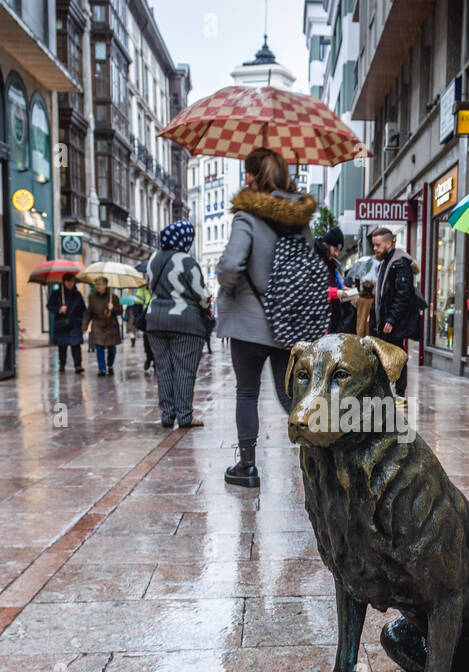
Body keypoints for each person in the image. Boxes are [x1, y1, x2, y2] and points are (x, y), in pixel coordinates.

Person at [215, 147, 317, 488]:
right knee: (289, 395)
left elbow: (231, 265)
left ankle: (247, 467)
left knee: (247, 392)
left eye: (247, 172)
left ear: (253, 176)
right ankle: (321, 459)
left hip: (248, 323)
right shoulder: (300, 221)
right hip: (288, 322)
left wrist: (227, 285)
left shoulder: (247, 216)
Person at [145, 220, 208, 428]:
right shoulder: (187, 261)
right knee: (184, 369)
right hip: (184, 322)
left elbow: (149, 285)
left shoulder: (153, 258)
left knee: (163, 369)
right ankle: (184, 416)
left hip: (154, 321)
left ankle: (167, 414)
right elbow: (201, 294)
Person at [367, 227, 421, 406]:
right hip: (383, 321)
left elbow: (402, 295)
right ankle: (385, 392)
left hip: (394, 322)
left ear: (388, 243)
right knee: (383, 356)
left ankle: (400, 393)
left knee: (397, 356)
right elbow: (382, 294)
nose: (374, 248)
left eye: (377, 245)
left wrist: (391, 319)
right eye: (373, 245)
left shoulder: (400, 263)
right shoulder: (386, 261)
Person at [317, 226, 359, 335]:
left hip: (332, 319)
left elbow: (336, 283)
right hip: (321, 320)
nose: (337, 254)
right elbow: (312, 290)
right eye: (335, 249)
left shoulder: (330, 263)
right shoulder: (316, 261)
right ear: (326, 245)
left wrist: (345, 290)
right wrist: (336, 293)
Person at [46, 272, 86, 374]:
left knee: (76, 345)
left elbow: (83, 309)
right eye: (68, 281)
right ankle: (62, 364)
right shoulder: (56, 293)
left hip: (74, 323)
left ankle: (78, 365)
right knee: (62, 346)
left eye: (72, 281)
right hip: (62, 323)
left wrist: (82, 321)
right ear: (63, 282)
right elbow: (50, 306)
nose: (70, 284)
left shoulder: (77, 295)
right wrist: (59, 309)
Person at [82, 276, 122, 376]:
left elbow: (120, 311)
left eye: (99, 284)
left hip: (111, 325)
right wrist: (84, 326)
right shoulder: (92, 297)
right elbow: (88, 313)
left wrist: (113, 308)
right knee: (99, 347)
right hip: (98, 325)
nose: (97, 286)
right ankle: (102, 369)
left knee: (111, 347)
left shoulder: (113, 297)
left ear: (105, 285)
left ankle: (110, 365)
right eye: (96, 284)